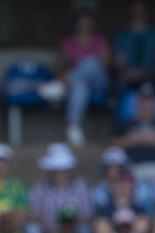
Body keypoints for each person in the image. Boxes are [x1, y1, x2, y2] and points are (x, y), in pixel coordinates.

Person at [61, 9, 109, 147]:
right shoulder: (69, 42)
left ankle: (62, 84)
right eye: (81, 24)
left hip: (99, 81)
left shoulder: (100, 40)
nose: (84, 26)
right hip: (78, 83)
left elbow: (105, 65)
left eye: (87, 24)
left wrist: (82, 65)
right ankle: (74, 126)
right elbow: (63, 65)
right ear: (76, 25)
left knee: (92, 62)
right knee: (80, 85)